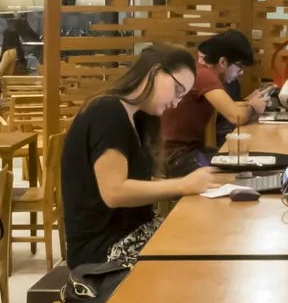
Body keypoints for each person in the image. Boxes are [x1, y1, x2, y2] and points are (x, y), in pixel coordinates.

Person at [60, 44, 225, 275]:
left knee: (210, 240)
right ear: (155, 71)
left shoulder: (136, 117)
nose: (176, 103)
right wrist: (183, 185)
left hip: (131, 233)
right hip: (104, 250)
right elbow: (114, 192)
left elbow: (138, 181)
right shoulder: (108, 112)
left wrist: (191, 184)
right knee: (203, 261)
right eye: (177, 91)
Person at [156, 29, 271, 177]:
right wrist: (252, 106)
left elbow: (231, 106)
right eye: (239, 66)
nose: (241, 73)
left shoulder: (200, 71)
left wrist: (249, 102)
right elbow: (236, 116)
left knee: (241, 161)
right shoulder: (204, 76)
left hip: (186, 155)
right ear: (223, 62)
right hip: (177, 160)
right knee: (237, 168)